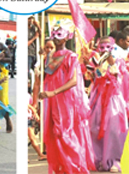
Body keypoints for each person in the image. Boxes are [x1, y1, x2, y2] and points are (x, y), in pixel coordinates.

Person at [38, 25, 95, 174]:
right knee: (54, 133)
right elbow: (47, 78)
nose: (56, 38)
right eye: (54, 34)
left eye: (60, 34)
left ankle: (75, 166)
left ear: (66, 37)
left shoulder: (71, 56)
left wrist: (53, 92)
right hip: (52, 102)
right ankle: (63, 167)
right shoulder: (51, 57)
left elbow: (74, 80)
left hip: (65, 102)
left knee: (64, 133)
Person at [88, 37, 129, 172]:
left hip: (113, 98)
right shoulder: (95, 61)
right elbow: (92, 76)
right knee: (95, 127)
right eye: (101, 47)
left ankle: (116, 160)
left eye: (107, 47)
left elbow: (121, 79)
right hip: (98, 97)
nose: (104, 50)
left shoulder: (119, 61)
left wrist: (112, 65)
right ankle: (98, 158)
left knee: (113, 129)